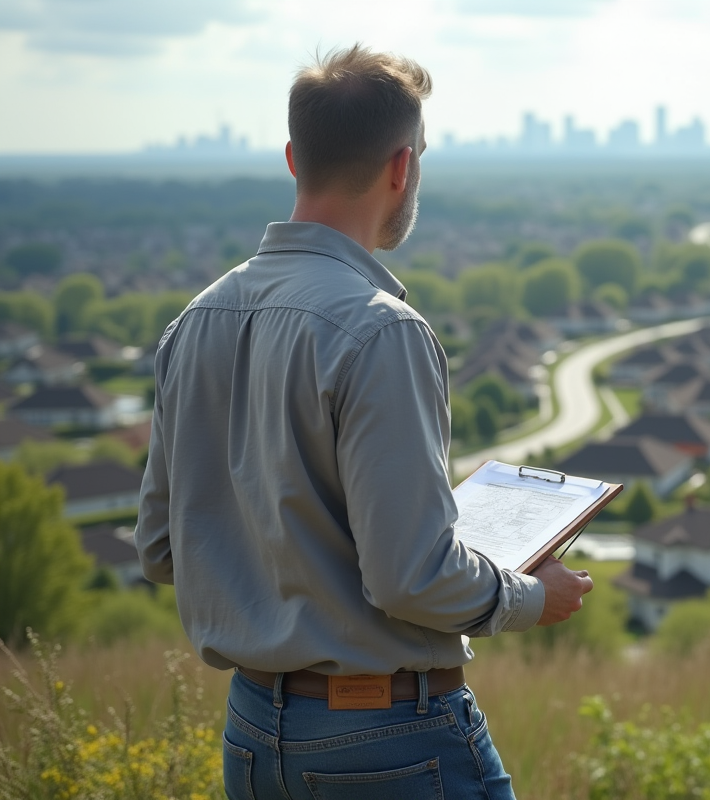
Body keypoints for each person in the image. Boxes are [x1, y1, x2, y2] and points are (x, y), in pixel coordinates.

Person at [134, 44, 593, 800]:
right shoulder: (383, 331)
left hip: (251, 733)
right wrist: (531, 597)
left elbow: (159, 547)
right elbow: (409, 578)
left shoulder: (196, 321)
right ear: (402, 168)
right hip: (390, 742)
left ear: (293, 158)